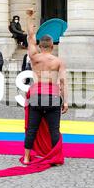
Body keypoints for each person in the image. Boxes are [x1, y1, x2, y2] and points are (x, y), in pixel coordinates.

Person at [23, 8, 68, 165]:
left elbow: (30, 36)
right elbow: (62, 82)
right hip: (53, 97)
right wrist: (66, 101)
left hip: (36, 96)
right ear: (52, 46)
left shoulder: (34, 57)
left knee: (32, 129)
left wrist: (29, 18)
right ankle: (55, 158)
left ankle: (27, 157)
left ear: (40, 46)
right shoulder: (58, 61)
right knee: (54, 130)